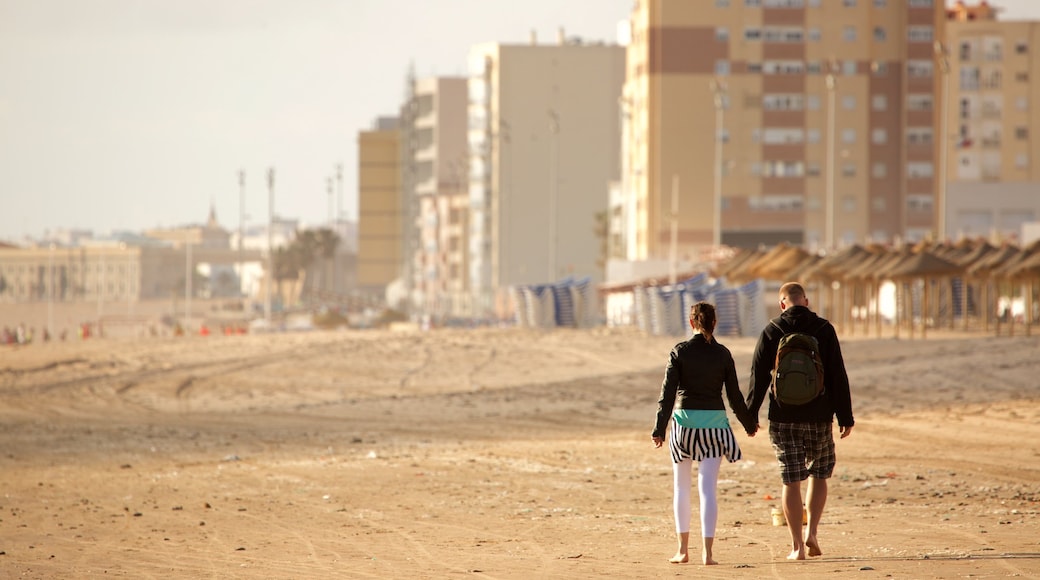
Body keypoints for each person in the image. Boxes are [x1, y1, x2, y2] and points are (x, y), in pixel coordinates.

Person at [746, 282, 854, 561]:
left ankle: (796, 547)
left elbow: (758, 376)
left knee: (791, 480)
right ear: (805, 301)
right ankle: (812, 533)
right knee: (819, 474)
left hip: (783, 416)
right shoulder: (824, 329)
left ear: (783, 304)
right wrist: (845, 416)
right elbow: (837, 375)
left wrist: (750, 415)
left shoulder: (772, 330)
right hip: (819, 414)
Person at [652, 301, 758, 566]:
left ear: (692, 323)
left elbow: (667, 394)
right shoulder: (722, 354)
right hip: (714, 426)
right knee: (707, 489)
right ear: (714, 323)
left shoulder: (679, 351)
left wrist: (659, 428)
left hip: (683, 425)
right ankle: (708, 554)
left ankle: (682, 550)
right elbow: (733, 396)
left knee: (681, 488)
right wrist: (748, 423)